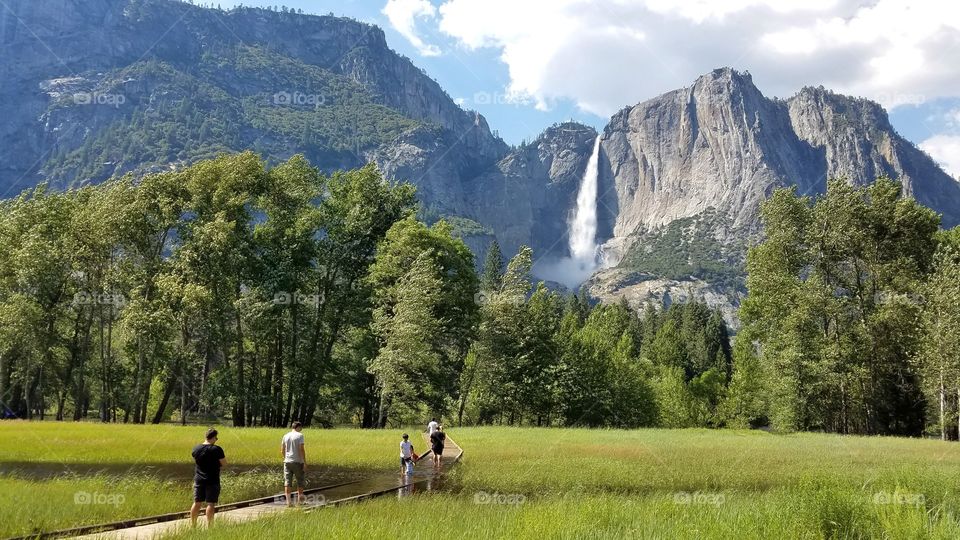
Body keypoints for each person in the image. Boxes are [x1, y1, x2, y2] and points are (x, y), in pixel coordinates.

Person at [190, 428, 226, 528]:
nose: (216, 440)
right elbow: (224, 463)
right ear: (213, 437)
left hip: (199, 479)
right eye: (216, 438)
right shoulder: (216, 449)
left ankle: (193, 526)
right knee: (210, 504)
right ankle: (210, 527)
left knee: (197, 503)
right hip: (212, 480)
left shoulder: (196, 448)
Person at [281, 421, 307, 506]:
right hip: (297, 462)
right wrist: (304, 462)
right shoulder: (300, 435)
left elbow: (282, 450)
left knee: (287, 482)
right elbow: (301, 449)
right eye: (301, 428)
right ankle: (300, 502)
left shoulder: (285, 436)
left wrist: (285, 458)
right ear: (298, 427)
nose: (301, 429)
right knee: (300, 481)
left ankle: (289, 502)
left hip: (287, 462)